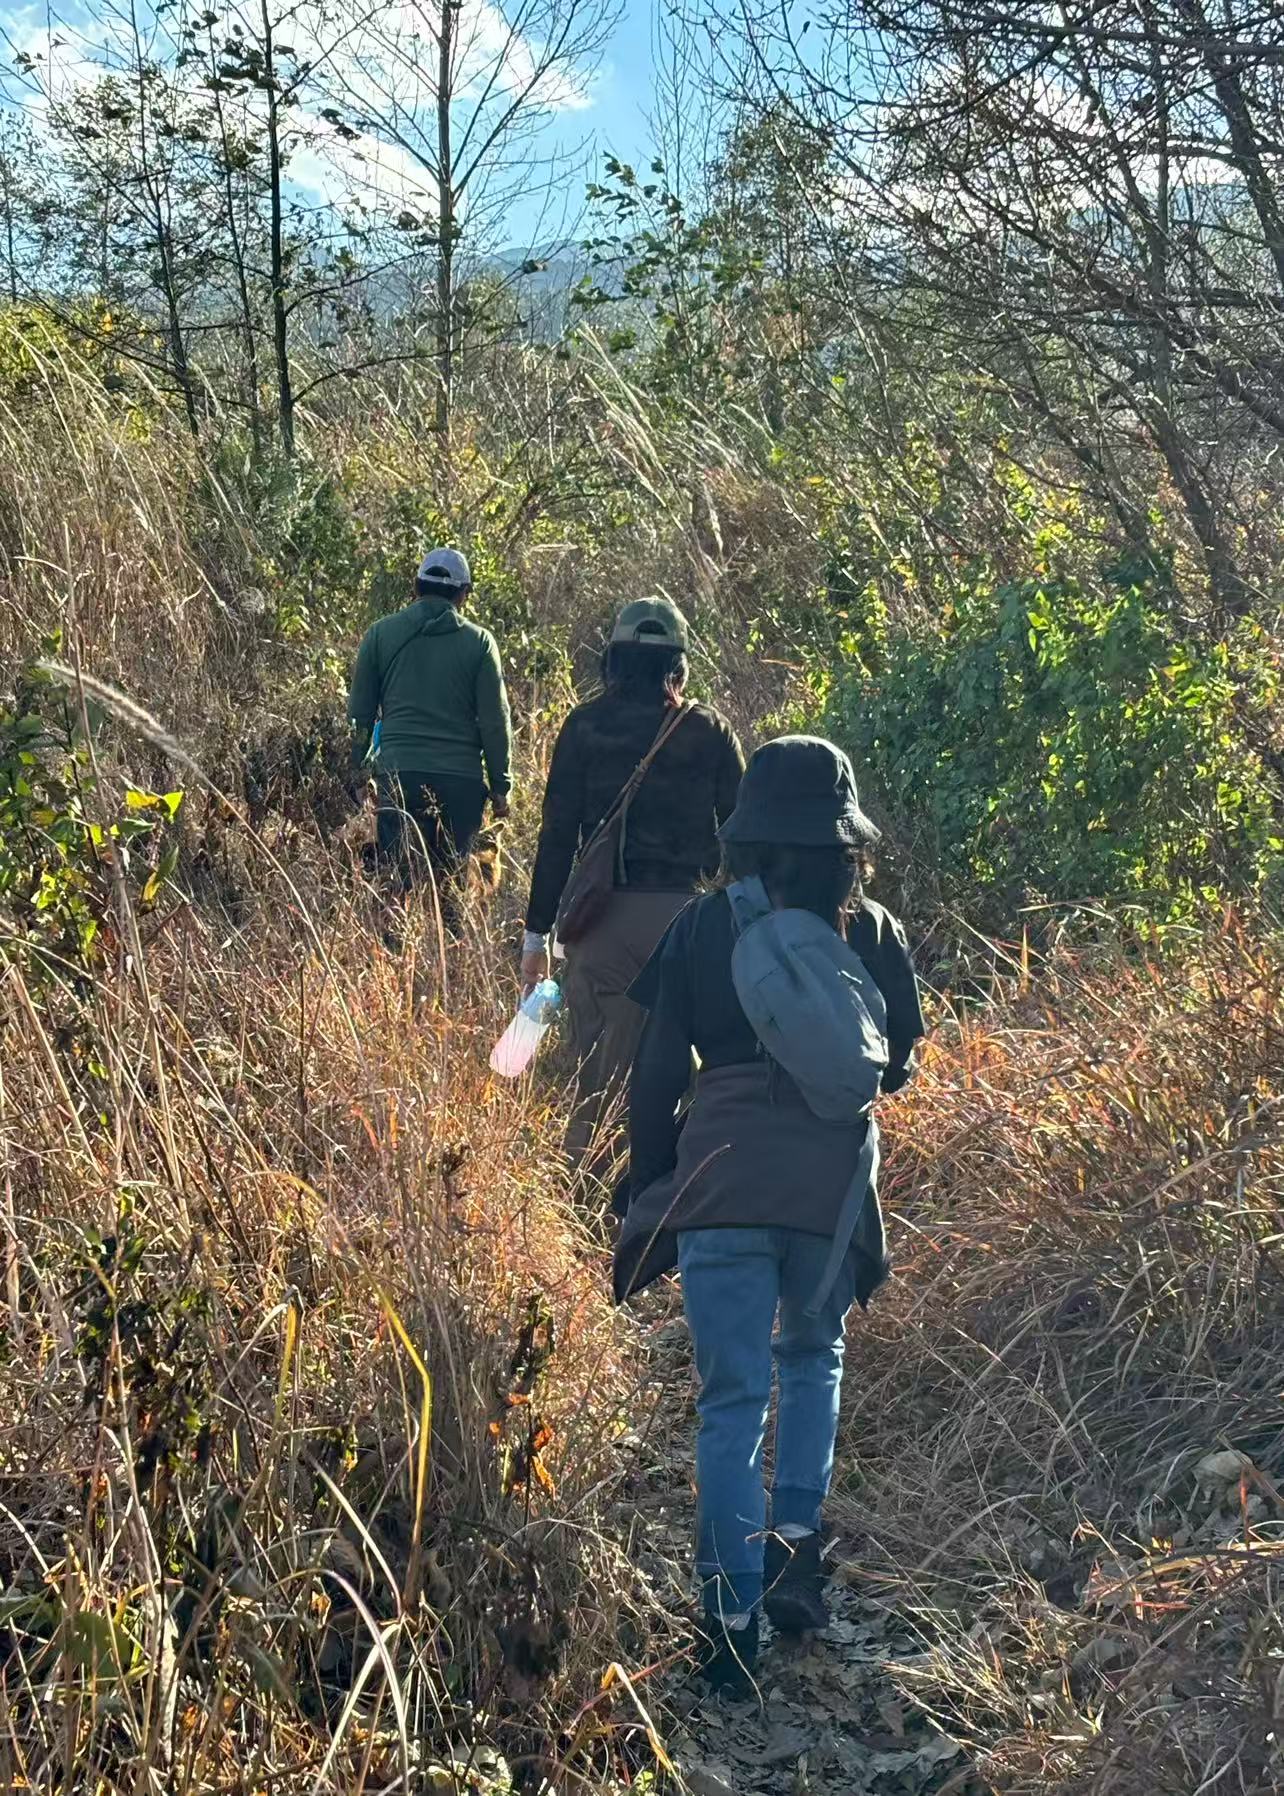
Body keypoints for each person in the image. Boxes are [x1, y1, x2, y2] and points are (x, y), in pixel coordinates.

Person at [614, 736, 925, 1695]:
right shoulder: (868, 930)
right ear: (843, 846)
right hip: (826, 1186)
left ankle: (729, 1615)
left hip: (721, 1179)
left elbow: (659, 1072)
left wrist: (648, 1185)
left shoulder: (704, 929)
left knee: (729, 1400)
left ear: (748, 838)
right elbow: (899, 1062)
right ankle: (796, 1550)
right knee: (812, 1355)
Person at [521, 598, 743, 1165]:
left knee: (593, 1077)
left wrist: (536, 936)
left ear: (614, 659)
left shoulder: (584, 726)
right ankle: (675, 1197)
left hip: (603, 924)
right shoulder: (710, 731)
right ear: (679, 661)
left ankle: (586, 1210)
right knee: (683, 1074)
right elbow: (741, 840)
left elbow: (556, 839)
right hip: (686, 930)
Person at [348, 547, 512, 927]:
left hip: (399, 777)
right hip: (462, 785)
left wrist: (358, 770)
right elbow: (494, 720)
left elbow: (360, 714)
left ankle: (391, 960)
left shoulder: (379, 635)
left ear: (414, 588)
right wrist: (501, 785)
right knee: (451, 890)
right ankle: (450, 962)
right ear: (463, 594)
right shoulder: (480, 643)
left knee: (396, 886)